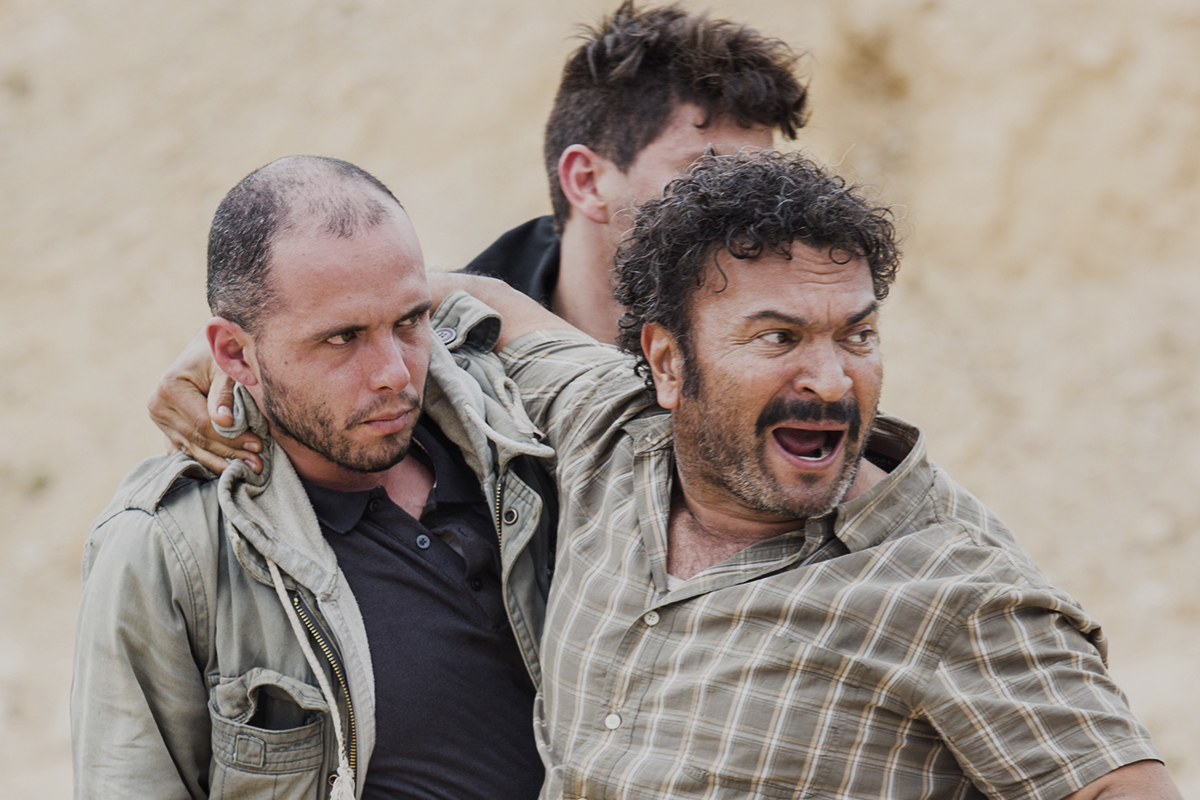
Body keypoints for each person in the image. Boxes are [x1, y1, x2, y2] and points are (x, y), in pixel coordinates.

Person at [427, 150, 1181, 799]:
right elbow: (486, 305)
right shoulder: (610, 431)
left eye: (858, 335)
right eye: (779, 337)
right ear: (668, 362)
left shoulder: (954, 589)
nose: (831, 379)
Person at [71, 156, 556, 799]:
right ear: (235, 353)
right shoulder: (164, 551)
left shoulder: (521, 436)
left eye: (409, 320)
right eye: (342, 338)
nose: (394, 372)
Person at [147, 0, 809, 471]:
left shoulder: (799, 350)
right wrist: (247, 348)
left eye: (760, 180)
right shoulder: (430, 360)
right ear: (586, 181)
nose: (746, 211)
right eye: (706, 174)